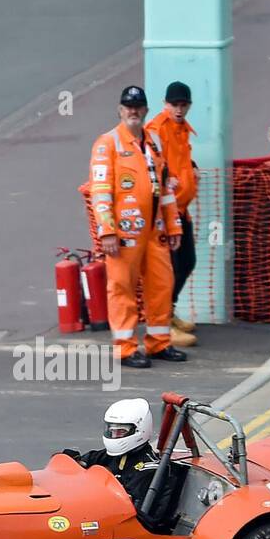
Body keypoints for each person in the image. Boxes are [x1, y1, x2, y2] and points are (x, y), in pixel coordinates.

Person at [87, 86, 189, 369]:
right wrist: (106, 230)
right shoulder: (107, 144)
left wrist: (174, 226)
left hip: (155, 231)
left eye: (138, 107)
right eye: (128, 107)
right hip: (123, 233)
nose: (133, 111)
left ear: (145, 110)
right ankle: (125, 347)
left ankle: (159, 343)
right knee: (122, 288)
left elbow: (165, 188)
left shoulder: (153, 141)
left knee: (161, 286)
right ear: (120, 110)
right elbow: (101, 190)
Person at [61, 398, 186, 533]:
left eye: (120, 432)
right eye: (111, 431)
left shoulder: (149, 470)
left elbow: (137, 518)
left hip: (132, 536)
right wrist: (70, 462)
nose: (114, 436)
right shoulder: (110, 457)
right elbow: (80, 464)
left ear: (139, 430)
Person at [145, 81, 199, 347]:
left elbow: (180, 160)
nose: (179, 109)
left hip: (181, 209)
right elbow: (153, 163)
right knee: (170, 268)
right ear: (165, 104)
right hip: (166, 212)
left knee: (187, 261)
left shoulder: (182, 130)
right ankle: (162, 322)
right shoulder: (156, 130)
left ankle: (169, 311)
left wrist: (192, 168)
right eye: (174, 104)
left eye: (183, 105)